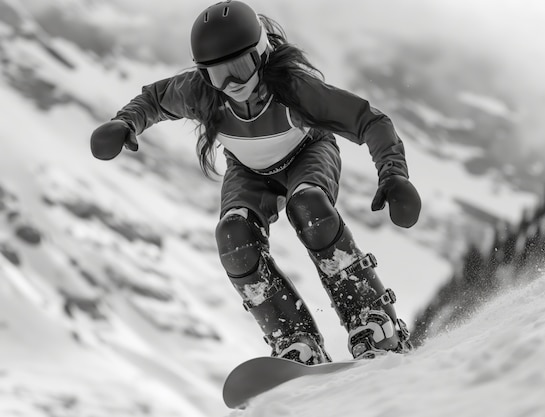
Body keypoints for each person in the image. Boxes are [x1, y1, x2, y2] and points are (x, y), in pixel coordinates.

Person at [90, 0, 421, 364]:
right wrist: (126, 123)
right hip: (248, 171)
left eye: (241, 68)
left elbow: (369, 121)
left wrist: (393, 174)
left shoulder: (294, 90)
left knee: (309, 208)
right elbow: (154, 99)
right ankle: (295, 340)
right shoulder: (203, 93)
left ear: (262, 55)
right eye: (219, 74)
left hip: (306, 155)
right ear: (205, 75)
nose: (233, 84)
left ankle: (372, 319)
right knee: (233, 238)